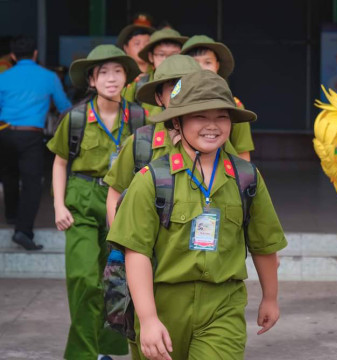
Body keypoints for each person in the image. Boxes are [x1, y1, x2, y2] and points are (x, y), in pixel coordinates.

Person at [107, 70, 287, 360]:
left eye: (222, 117)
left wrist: (270, 297)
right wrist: (149, 319)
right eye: (200, 116)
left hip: (222, 305)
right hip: (162, 303)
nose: (212, 126)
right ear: (177, 121)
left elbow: (265, 245)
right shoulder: (151, 179)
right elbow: (136, 252)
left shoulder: (247, 178)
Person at [47, 44, 146, 359]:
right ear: (92, 80)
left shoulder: (139, 117)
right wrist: (59, 205)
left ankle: (108, 348)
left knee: (115, 280)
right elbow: (60, 162)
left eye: (118, 71)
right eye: (103, 72)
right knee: (83, 279)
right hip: (82, 201)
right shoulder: (75, 118)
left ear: (127, 79)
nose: (111, 78)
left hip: (122, 201)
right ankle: (82, 353)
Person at [104, 54, 201, 225]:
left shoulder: (213, 140)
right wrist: (117, 247)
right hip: (147, 245)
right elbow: (115, 194)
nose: (183, 97)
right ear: (158, 97)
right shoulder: (141, 142)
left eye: (191, 88)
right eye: (174, 90)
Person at [0, 35, 71, 250]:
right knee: (32, 184)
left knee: (9, 176)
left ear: (12, 56)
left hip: (4, 133)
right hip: (31, 135)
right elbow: (65, 107)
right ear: (35, 54)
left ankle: (11, 215)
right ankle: (23, 231)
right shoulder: (49, 77)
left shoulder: (3, 77)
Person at [181, 35, 254, 161]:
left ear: (217, 65)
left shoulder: (234, 105)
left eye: (207, 62)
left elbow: (242, 154)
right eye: (194, 62)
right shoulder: (175, 103)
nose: (201, 68)